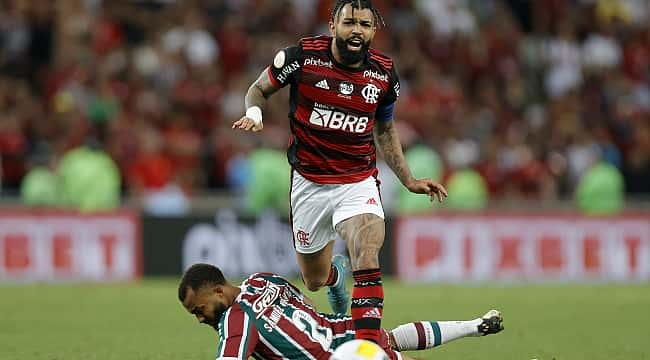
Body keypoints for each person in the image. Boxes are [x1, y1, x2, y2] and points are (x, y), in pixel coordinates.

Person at [231, 0, 448, 343]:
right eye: (349, 23)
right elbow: (258, 89)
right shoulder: (301, 58)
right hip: (309, 183)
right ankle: (335, 277)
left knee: (367, 249)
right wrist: (255, 114)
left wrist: (409, 180)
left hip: (357, 180)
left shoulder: (384, 74)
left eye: (364, 24)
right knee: (314, 280)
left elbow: (385, 129)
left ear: (374, 31)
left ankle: (366, 346)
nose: (357, 31)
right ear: (332, 26)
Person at [178, 263, 504, 360]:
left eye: (200, 309)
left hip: (343, 357)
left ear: (219, 291)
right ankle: (475, 325)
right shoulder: (262, 280)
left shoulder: (236, 317)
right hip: (345, 330)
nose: (200, 318)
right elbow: (303, 305)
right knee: (390, 337)